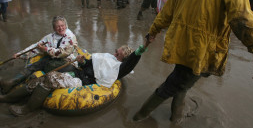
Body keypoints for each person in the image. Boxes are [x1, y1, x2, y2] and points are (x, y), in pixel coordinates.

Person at [133, 0, 253, 124]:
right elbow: (242, 19)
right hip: (203, 46)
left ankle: (176, 117)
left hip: (181, 41)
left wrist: (154, 30)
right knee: (174, 84)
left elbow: (168, 9)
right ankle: (138, 118)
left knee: (182, 81)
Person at [0, 37, 153, 116]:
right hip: (78, 73)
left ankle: (27, 108)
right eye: (115, 50)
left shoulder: (119, 68)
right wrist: (83, 61)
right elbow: (89, 64)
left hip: (83, 82)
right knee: (40, 78)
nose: (114, 53)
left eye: (117, 54)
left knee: (51, 78)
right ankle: (8, 98)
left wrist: (143, 47)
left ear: (123, 58)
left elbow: (131, 62)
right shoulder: (108, 58)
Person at [0, 16, 78, 93]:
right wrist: (19, 54)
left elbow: (63, 53)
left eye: (62, 26)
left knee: (42, 64)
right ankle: (12, 82)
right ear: (54, 28)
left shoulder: (70, 36)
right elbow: (36, 46)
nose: (61, 28)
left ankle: (21, 84)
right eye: (58, 26)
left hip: (68, 63)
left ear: (65, 25)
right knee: (38, 64)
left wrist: (46, 49)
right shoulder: (50, 37)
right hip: (54, 61)